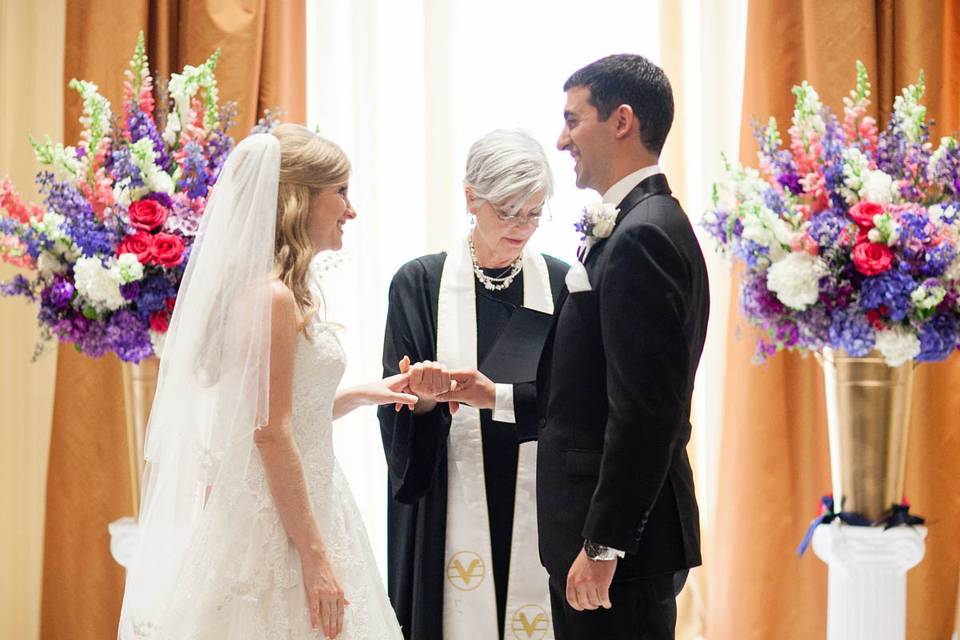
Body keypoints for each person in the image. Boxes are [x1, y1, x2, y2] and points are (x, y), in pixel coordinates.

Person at [118, 124, 408, 640]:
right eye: (340, 192)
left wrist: (366, 393)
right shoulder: (270, 298)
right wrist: (314, 558)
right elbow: (269, 432)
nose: (352, 209)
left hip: (306, 500)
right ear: (298, 200)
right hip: (278, 523)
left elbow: (282, 412)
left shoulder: (279, 294)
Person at [536, 54, 710, 639]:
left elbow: (646, 411)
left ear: (622, 121)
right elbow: (590, 387)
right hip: (617, 540)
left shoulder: (642, 236)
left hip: (621, 549)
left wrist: (604, 544)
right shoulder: (639, 222)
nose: (562, 140)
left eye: (573, 119)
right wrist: (497, 394)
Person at [378, 129, 569, 639]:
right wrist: (421, 400)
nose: (522, 227)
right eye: (508, 211)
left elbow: (572, 402)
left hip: (537, 495)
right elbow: (394, 404)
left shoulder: (560, 283)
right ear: (470, 197)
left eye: (533, 212)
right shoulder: (418, 284)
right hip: (447, 494)